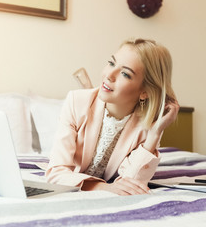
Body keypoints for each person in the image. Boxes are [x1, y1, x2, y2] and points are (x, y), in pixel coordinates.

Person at [45, 38, 179, 196]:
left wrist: (155, 134)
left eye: (125, 74)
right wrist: (104, 188)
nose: (109, 75)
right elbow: (55, 174)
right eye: (111, 63)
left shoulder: (149, 123)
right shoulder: (76, 102)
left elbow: (132, 183)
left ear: (145, 92)